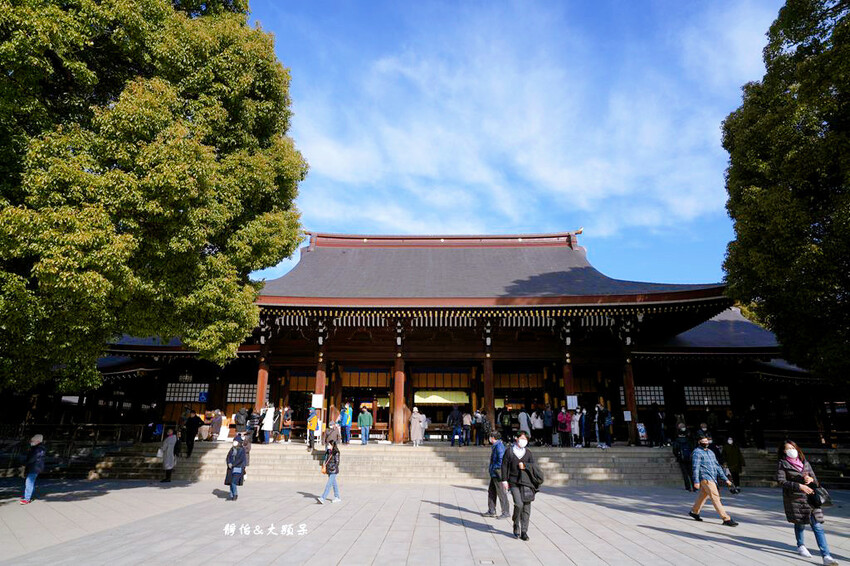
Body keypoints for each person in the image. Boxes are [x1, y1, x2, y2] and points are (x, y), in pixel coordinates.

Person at [777, 440, 838, 564]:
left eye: (793, 447)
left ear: (797, 448)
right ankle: (801, 545)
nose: (791, 450)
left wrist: (810, 479)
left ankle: (826, 556)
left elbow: (816, 482)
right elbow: (781, 481)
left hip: (811, 499)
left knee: (817, 526)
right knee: (800, 524)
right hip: (796, 499)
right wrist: (799, 486)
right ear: (784, 451)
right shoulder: (782, 464)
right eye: (788, 448)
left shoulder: (805, 463)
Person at [689, 436, 738, 526]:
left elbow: (717, 466)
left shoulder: (711, 452)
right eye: (703, 441)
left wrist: (726, 479)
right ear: (699, 442)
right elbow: (695, 468)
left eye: (707, 441)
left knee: (703, 496)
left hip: (713, 478)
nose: (706, 442)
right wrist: (696, 481)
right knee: (715, 497)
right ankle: (726, 518)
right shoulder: (697, 452)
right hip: (705, 478)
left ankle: (694, 512)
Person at [501, 431, 542, 541]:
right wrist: (504, 480)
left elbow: (533, 467)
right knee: (519, 504)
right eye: (522, 438)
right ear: (517, 438)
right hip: (513, 482)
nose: (523, 441)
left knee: (527, 507)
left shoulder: (528, 453)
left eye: (526, 439)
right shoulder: (509, 451)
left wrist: (525, 466)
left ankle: (524, 531)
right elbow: (504, 466)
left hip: (527, 483)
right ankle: (516, 523)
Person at [483, 432, 510, 519]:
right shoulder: (496, 445)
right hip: (494, 473)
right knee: (491, 491)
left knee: (501, 492)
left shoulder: (499, 446)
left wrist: (495, 467)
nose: (489, 438)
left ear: (493, 437)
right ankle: (491, 510)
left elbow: (501, 460)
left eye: (490, 437)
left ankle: (505, 511)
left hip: (497, 473)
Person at [20, 434, 45, 504]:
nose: (31, 441)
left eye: (33, 440)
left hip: (35, 467)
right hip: (34, 467)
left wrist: (26, 463)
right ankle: (29, 496)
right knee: (30, 482)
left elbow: (33, 458)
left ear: (38, 441)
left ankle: (27, 499)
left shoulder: (39, 448)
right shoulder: (37, 447)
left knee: (29, 482)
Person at [672, 424, 695, 491]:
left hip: (681, 458)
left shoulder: (677, 441)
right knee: (691, 473)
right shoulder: (688, 440)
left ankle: (687, 487)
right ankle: (694, 486)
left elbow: (675, 450)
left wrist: (677, 456)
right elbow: (692, 448)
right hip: (689, 458)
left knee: (685, 473)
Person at [225, 435, 246, 501]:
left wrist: (233, 464)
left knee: (233, 482)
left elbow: (240, 459)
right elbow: (228, 457)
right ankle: (231, 495)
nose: (234, 443)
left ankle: (235, 494)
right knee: (231, 481)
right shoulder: (232, 449)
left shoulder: (242, 450)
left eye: (236, 441)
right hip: (231, 468)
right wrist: (229, 463)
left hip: (238, 468)